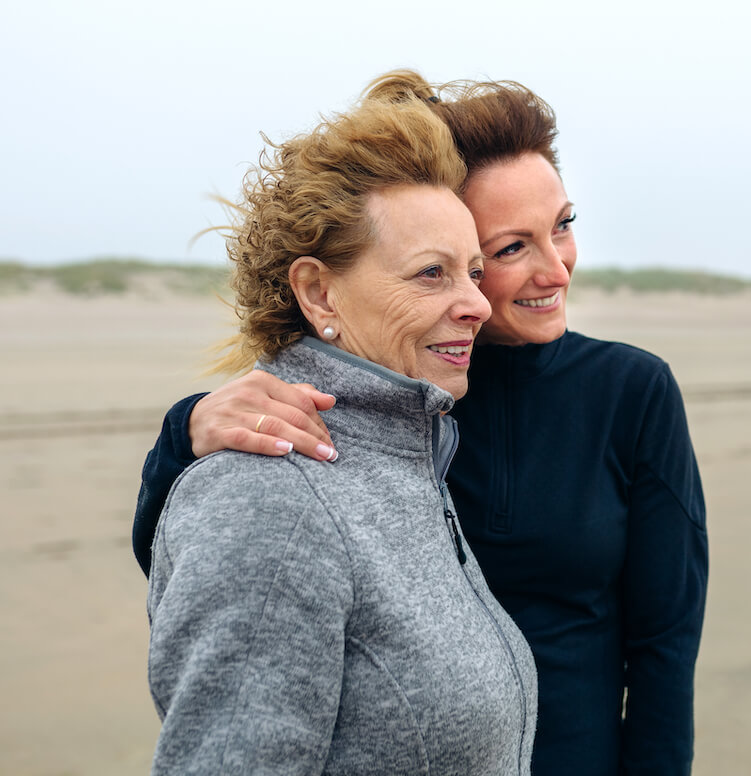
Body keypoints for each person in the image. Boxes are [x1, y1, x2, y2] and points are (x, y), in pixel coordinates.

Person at [137, 71, 707, 776]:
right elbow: (227, 572)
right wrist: (185, 431)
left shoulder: (624, 389)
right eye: (506, 249)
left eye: (562, 225)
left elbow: (664, 647)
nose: (556, 270)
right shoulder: (372, 406)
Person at [144, 89, 537, 775]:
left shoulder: (406, 459)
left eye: (474, 271)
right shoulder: (272, 498)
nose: (477, 304)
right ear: (320, 292)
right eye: (431, 273)